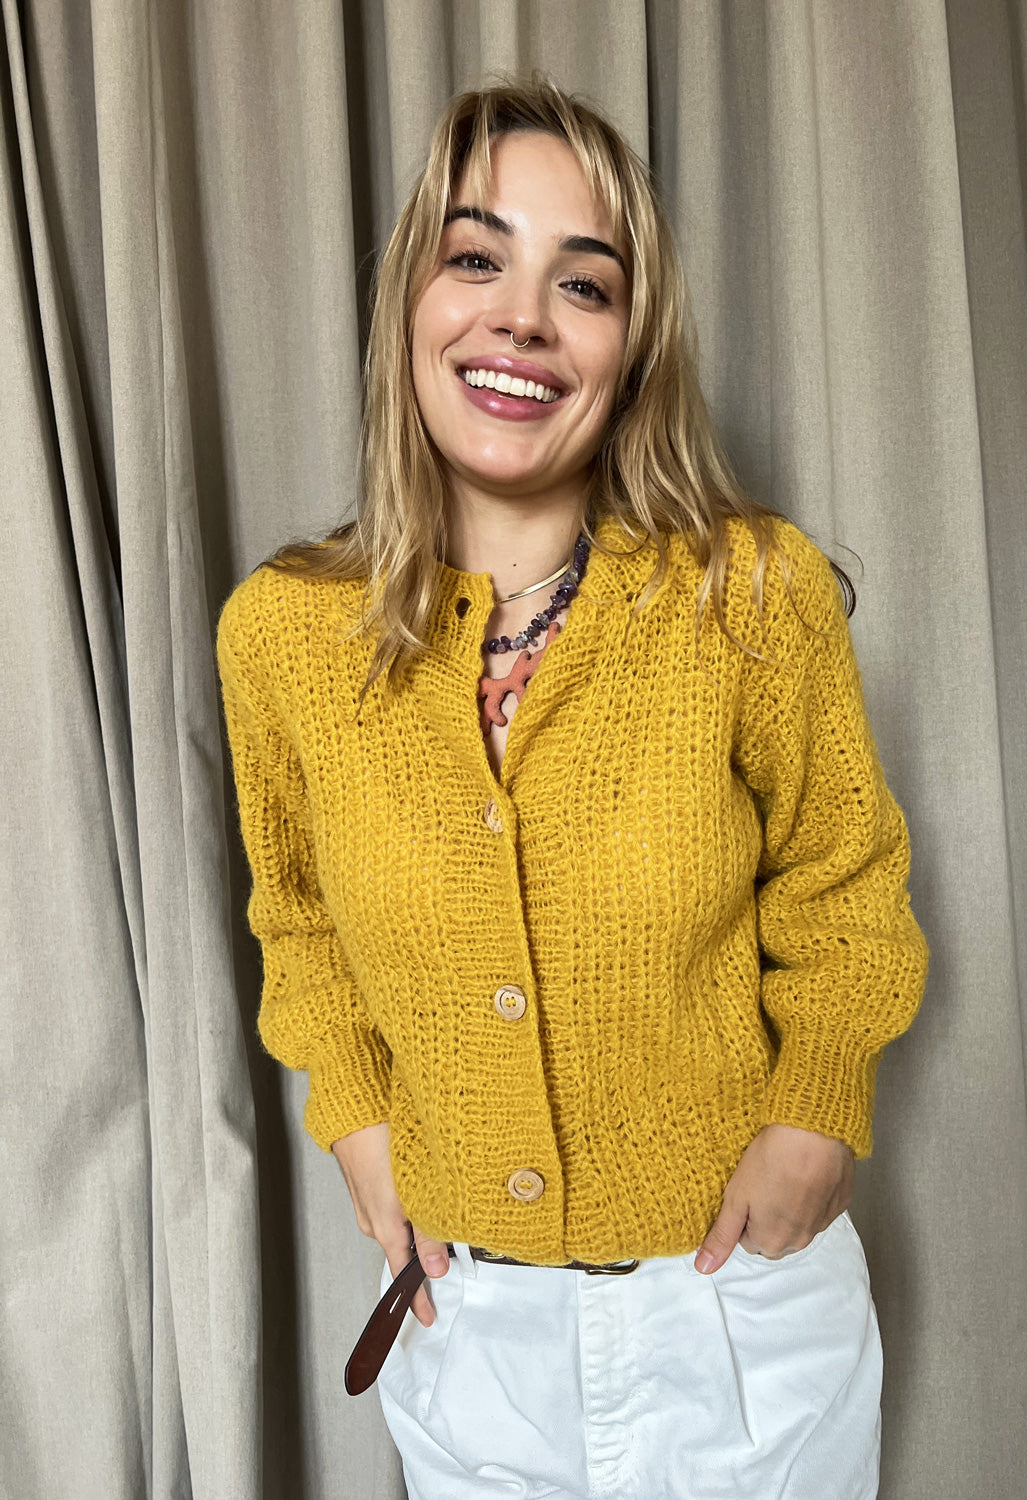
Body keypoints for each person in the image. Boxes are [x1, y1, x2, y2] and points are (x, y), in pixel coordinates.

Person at [216, 73, 929, 1500]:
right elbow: (298, 923)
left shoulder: (749, 594)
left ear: (631, 345)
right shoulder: (286, 634)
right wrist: (358, 1126)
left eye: (583, 284)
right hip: (467, 1331)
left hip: (736, 1318)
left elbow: (845, 887)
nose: (523, 318)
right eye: (476, 258)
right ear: (411, 302)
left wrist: (816, 1111)